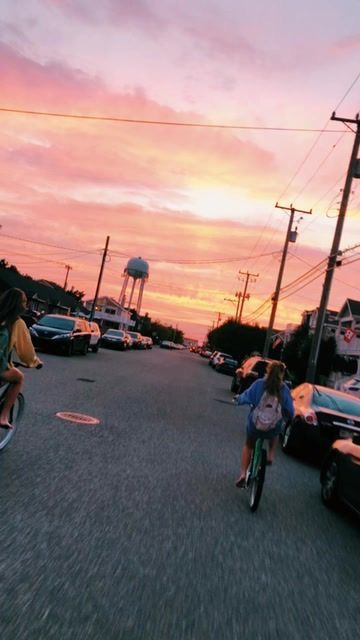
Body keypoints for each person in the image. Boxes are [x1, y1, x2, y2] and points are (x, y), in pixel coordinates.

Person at [234, 360, 294, 488]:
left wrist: (238, 399)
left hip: (255, 425)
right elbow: (290, 410)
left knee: (248, 445)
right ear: (282, 374)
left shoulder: (259, 384)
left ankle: (243, 475)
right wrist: (287, 416)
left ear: (268, 371)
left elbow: (246, 397)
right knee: (277, 430)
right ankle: (271, 454)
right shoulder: (284, 389)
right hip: (272, 428)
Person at [0, 288, 42, 428]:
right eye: (24, 302)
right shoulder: (17, 323)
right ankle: (4, 416)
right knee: (19, 377)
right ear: (18, 305)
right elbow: (26, 352)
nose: (26, 305)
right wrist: (35, 362)